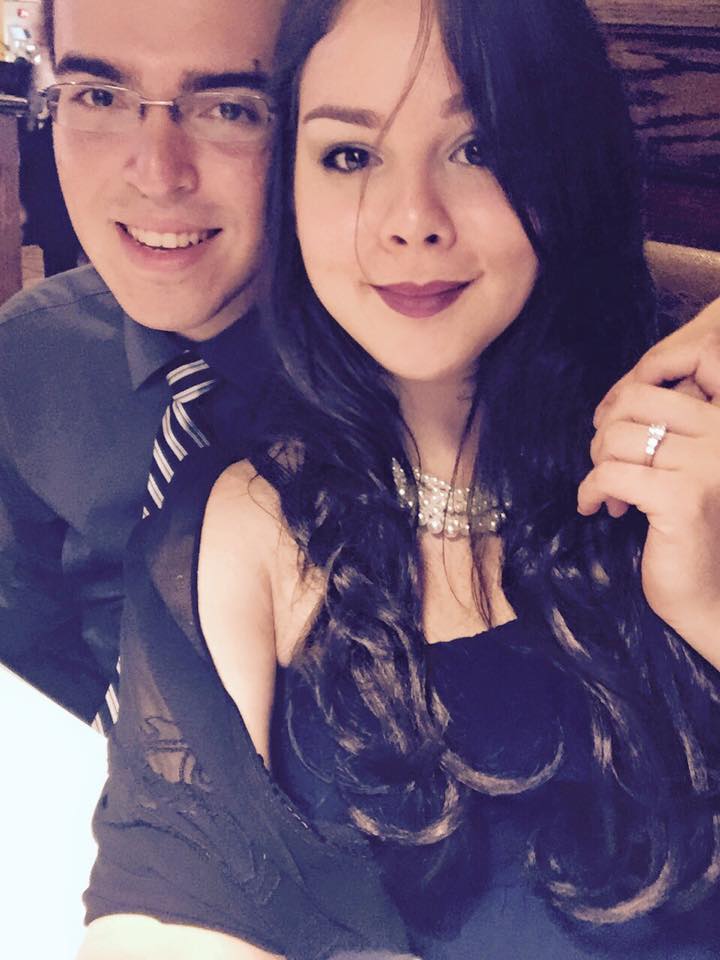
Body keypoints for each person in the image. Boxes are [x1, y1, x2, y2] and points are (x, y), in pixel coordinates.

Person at [76, 0, 720, 958]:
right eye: (349, 155)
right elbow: (162, 910)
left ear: (567, 162)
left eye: (478, 149)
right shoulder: (243, 526)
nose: (412, 221)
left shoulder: (695, 464)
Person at [0, 0, 283, 730]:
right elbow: (26, 647)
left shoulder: (409, 386)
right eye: (100, 97)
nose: (158, 175)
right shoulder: (31, 353)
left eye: (229, 109)